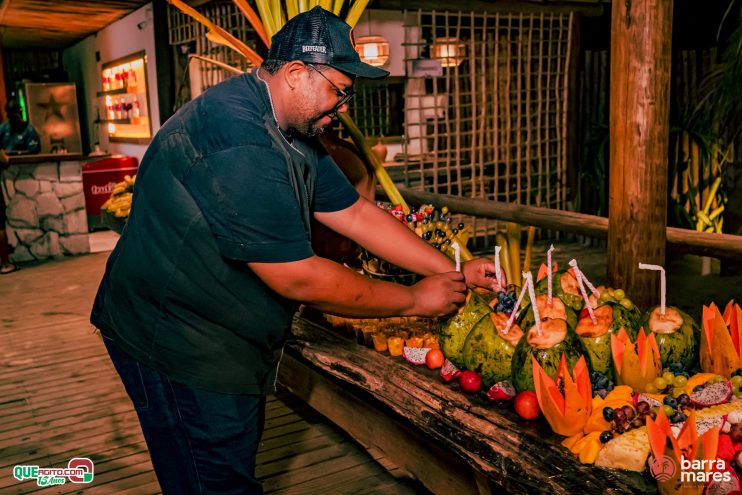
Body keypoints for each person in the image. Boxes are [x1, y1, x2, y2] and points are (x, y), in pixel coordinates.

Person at [91, 7, 500, 494]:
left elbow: (353, 213)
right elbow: (299, 277)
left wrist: (452, 269)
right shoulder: (241, 142)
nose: (344, 105)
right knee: (213, 481)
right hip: (176, 341)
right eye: (339, 89)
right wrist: (417, 299)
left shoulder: (294, 125)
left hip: (222, 332)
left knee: (230, 464)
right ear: (295, 73)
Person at [0, 99, 40, 274]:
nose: (11, 118)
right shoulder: (4, 129)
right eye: (9, 114)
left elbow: (34, 150)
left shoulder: (29, 131)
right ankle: (5, 263)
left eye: (13, 113)